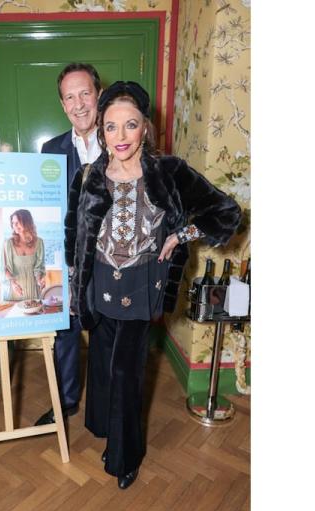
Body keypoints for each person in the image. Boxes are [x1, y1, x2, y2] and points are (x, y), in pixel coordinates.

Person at [65, 81, 242, 489]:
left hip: (142, 288)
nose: (120, 137)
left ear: (145, 127)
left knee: (127, 371)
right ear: (101, 131)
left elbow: (226, 212)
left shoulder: (169, 171)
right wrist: (75, 287)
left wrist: (183, 233)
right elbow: (73, 233)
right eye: (111, 127)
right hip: (99, 287)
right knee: (105, 364)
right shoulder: (89, 177)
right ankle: (105, 428)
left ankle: (125, 458)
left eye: (130, 125)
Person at [34, 63, 102, 426]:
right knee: (65, 333)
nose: (79, 104)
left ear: (98, 94)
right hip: (66, 260)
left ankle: (104, 409)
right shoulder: (51, 149)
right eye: (70, 97)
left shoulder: (119, 139)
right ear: (63, 105)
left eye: (85, 93)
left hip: (111, 261)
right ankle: (65, 402)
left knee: (107, 336)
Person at [2, 209, 45, 302]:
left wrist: (39, 280)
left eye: (17, 222)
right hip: (15, 290)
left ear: (27, 222)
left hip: (33, 290)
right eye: (13, 223)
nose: (15, 226)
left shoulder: (39, 242)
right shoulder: (8, 243)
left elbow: (39, 267)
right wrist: (13, 284)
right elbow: (5, 268)